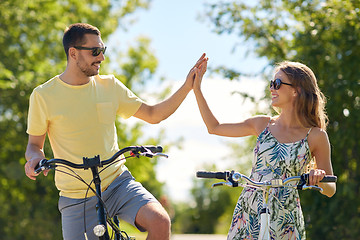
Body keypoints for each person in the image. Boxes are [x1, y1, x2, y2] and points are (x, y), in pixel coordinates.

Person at [24, 23, 207, 240]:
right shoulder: (43, 95)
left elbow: (153, 114)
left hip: (117, 182)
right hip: (75, 196)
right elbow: (34, 145)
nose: (101, 57)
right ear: (73, 53)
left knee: (160, 221)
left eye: (103, 50)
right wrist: (35, 159)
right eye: (95, 51)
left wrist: (187, 86)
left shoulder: (109, 86)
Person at [193, 59, 336, 239]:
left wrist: (319, 177)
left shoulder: (316, 136)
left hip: (286, 217)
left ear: (296, 90)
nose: (271, 89)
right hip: (249, 210)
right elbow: (214, 127)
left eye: (277, 83)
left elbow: (331, 189)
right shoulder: (261, 124)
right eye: (271, 83)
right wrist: (197, 89)